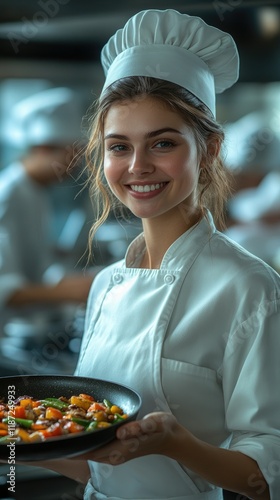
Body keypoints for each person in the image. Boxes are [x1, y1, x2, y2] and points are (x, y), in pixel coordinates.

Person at [9, 9, 280, 500]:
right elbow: (101, 467)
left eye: (163, 143)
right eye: (119, 147)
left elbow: (265, 475)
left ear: (211, 148)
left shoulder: (248, 286)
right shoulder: (107, 285)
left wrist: (175, 444)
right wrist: (13, 441)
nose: (137, 167)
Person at [0, 87, 95, 339]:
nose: (75, 166)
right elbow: (5, 290)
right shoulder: (7, 196)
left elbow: (36, 265)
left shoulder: (37, 192)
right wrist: (80, 291)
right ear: (42, 149)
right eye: (71, 156)